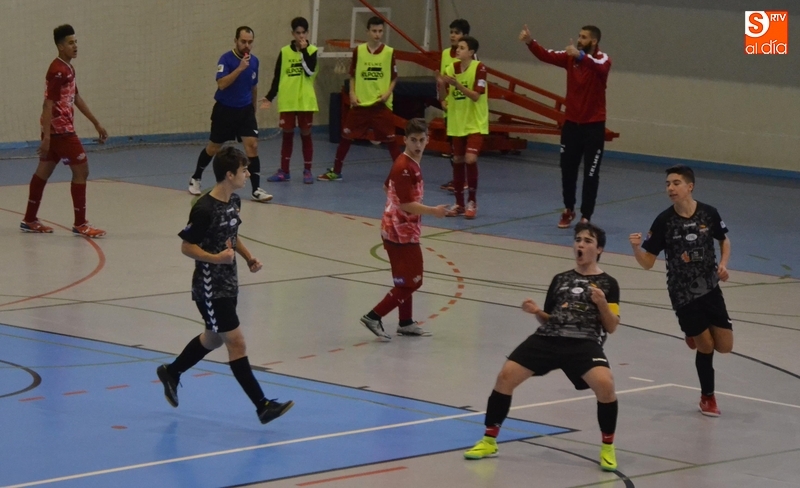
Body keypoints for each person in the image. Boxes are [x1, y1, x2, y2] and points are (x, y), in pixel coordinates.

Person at [464, 222, 621, 472]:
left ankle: (608, 448)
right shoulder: (560, 279)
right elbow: (549, 318)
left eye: (587, 241)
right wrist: (537, 311)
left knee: (605, 385)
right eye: (578, 240)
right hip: (548, 338)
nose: (580, 245)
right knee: (505, 376)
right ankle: (489, 441)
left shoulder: (608, 283)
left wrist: (602, 303)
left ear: (599, 249)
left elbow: (611, 326)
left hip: (584, 342)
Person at [158, 146, 293, 424]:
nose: (248, 174)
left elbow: (232, 233)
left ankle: (171, 372)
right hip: (210, 288)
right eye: (244, 170)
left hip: (229, 282)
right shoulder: (204, 209)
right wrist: (216, 258)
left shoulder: (234, 201)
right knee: (236, 342)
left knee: (213, 338)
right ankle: (262, 405)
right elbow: (187, 246)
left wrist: (248, 257)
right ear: (229, 175)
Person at [629, 165, 733, 417]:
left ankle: (691, 333)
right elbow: (648, 263)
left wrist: (723, 264)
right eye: (667, 184)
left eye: (676, 183)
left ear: (690, 186)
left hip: (710, 287)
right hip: (682, 292)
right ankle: (707, 397)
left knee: (725, 346)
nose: (670, 188)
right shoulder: (664, 221)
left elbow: (724, 240)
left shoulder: (708, 213)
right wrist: (636, 249)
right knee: (706, 346)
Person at [359, 118, 447, 340]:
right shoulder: (404, 167)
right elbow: (406, 204)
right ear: (405, 140)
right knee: (414, 281)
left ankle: (405, 322)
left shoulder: (406, 162)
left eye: (421, 140)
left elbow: (386, 187)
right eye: (413, 140)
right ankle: (373, 316)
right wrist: (433, 211)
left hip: (396, 228)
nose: (418, 145)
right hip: (400, 234)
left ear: (427, 140)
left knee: (403, 279)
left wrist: (393, 208)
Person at [519, 24, 611, 228]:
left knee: (591, 173)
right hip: (571, 125)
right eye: (579, 36)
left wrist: (580, 56)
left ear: (594, 41)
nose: (580, 40)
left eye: (584, 37)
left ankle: (586, 216)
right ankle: (569, 209)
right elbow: (546, 55)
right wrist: (530, 42)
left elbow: (601, 67)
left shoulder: (601, 59)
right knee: (567, 169)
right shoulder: (570, 58)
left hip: (593, 127)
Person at [20, 24, 108, 238]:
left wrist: (96, 123)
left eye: (76, 42)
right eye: (70, 43)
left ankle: (29, 219)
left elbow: (75, 97)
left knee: (44, 171)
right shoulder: (57, 71)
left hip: (58, 131)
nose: (75, 46)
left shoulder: (68, 68)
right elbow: (48, 103)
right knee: (81, 171)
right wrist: (47, 138)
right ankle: (81, 224)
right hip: (61, 132)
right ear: (60, 47)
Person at [188, 26, 272, 203]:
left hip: (245, 111)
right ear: (236, 41)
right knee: (213, 147)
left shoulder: (255, 61)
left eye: (250, 42)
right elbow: (222, 84)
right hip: (225, 110)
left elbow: (253, 86)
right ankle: (196, 177)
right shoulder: (226, 59)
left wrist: (253, 109)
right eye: (243, 41)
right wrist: (239, 68)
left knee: (252, 146)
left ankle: (256, 189)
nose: (247, 45)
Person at [317, 16, 400, 181]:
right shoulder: (359, 51)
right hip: (360, 105)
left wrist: (387, 94)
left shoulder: (389, 52)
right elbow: (353, 75)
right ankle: (336, 171)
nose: (377, 34)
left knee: (391, 140)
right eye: (374, 31)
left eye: (380, 31)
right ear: (367, 32)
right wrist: (352, 94)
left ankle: (402, 174)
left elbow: (394, 78)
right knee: (346, 137)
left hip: (380, 105)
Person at [262, 16, 318, 185]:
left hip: (305, 102)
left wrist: (304, 51)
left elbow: (309, 71)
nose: (301, 36)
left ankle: (307, 170)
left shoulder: (312, 51)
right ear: (293, 33)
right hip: (288, 101)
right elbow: (277, 76)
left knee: (306, 134)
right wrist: (270, 96)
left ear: (307, 33)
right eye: (297, 33)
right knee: (287, 135)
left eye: (303, 33)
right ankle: (284, 171)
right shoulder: (285, 52)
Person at [437, 36, 487, 219]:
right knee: (457, 160)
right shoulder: (451, 68)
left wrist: (457, 84)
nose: (458, 50)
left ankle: (472, 201)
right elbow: (443, 98)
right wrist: (441, 85)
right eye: (458, 47)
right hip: (457, 122)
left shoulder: (479, 68)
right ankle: (459, 204)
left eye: (462, 47)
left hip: (475, 122)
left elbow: (476, 96)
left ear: (471, 52)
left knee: (470, 159)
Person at [438, 18, 471, 193]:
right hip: (450, 108)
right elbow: (442, 80)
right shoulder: (445, 54)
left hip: (464, 108)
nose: (452, 35)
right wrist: (442, 100)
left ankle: (464, 180)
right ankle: (458, 179)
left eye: (456, 33)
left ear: (465, 36)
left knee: (464, 148)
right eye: (451, 32)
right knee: (453, 147)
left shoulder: (471, 58)